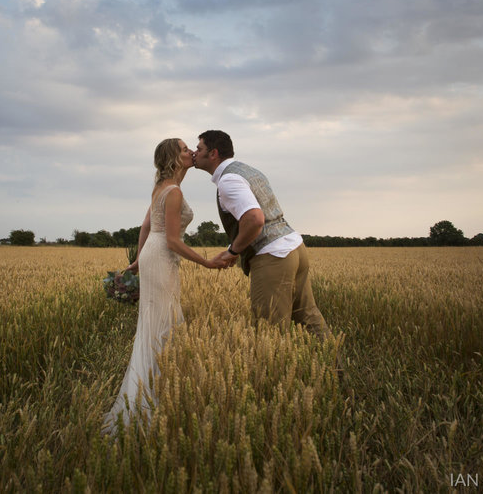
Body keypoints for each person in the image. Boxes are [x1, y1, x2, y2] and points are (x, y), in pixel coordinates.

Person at [104, 138, 228, 434]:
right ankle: (151, 398)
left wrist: (137, 259)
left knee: (156, 321)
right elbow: (172, 240)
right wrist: (207, 262)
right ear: (175, 158)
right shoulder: (172, 191)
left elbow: (146, 226)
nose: (191, 153)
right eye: (185, 149)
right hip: (161, 256)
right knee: (163, 322)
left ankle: (153, 390)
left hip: (153, 255)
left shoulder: (162, 187)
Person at [193, 130, 329, 339]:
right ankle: (336, 372)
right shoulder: (247, 170)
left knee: (270, 331)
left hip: (273, 256)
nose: (195, 152)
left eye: (199, 148)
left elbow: (255, 219)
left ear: (213, 153)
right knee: (310, 318)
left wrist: (233, 251)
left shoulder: (228, 181)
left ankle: (275, 373)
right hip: (294, 247)